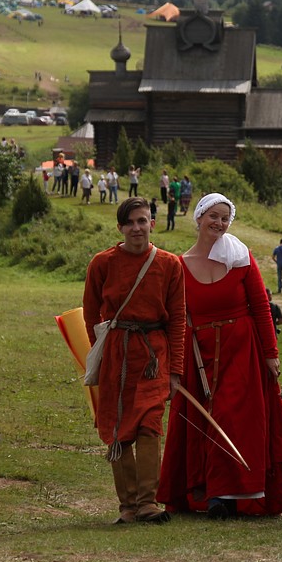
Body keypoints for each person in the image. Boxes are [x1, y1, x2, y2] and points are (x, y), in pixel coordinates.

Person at [159, 193, 282, 519]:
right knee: (203, 422)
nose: (218, 223)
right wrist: (175, 364)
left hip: (242, 349)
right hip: (199, 354)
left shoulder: (241, 258)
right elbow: (176, 317)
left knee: (234, 419)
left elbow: (262, 307)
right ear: (200, 218)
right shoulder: (179, 265)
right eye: (213, 216)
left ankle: (230, 495)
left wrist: (270, 353)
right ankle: (207, 491)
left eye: (224, 218)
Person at [83, 197, 187, 524]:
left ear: (152, 224)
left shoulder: (170, 265)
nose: (136, 228)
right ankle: (127, 507)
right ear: (120, 228)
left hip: (154, 355)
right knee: (118, 429)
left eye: (142, 221)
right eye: (130, 222)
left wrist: (175, 372)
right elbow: (89, 315)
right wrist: (101, 355)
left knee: (149, 424)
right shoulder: (102, 263)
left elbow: (178, 321)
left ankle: (147, 503)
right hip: (116, 353)